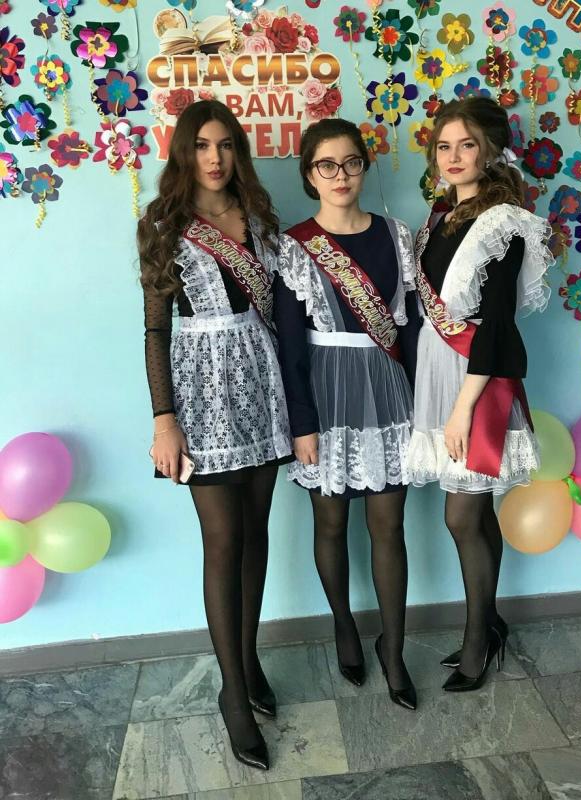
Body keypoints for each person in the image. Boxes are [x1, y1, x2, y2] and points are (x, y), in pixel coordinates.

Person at [138, 100, 293, 770]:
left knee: (256, 534)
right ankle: (233, 692)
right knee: (223, 540)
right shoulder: (164, 224)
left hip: (261, 383)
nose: (214, 158)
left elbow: (282, 310)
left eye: (226, 145)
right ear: (184, 151)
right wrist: (163, 418)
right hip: (200, 391)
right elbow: (155, 329)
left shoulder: (258, 217)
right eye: (202, 145)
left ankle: (250, 663)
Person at [273, 118, 421, 710]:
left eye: (351, 162)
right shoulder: (294, 246)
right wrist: (301, 424)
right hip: (325, 393)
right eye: (326, 165)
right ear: (310, 175)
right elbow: (289, 343)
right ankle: (343, 623)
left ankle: (395, 647)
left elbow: (410, 331)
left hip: (387, 391)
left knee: (389, 525)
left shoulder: (397, 236)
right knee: (330, 522)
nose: (341, 175)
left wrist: (423, 407)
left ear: (365, 166)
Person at [407, 97, 552, 691]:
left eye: (466, 144)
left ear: (491, 151)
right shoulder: (440, 217)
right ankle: (489, 625)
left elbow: (495, 325)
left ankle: (476, 643)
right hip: (437, 368)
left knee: (461, 514)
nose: (454, 156)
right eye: (444, 146)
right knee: (477, 509)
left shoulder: (505, 223)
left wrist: (462, 409)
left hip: (478, 378)